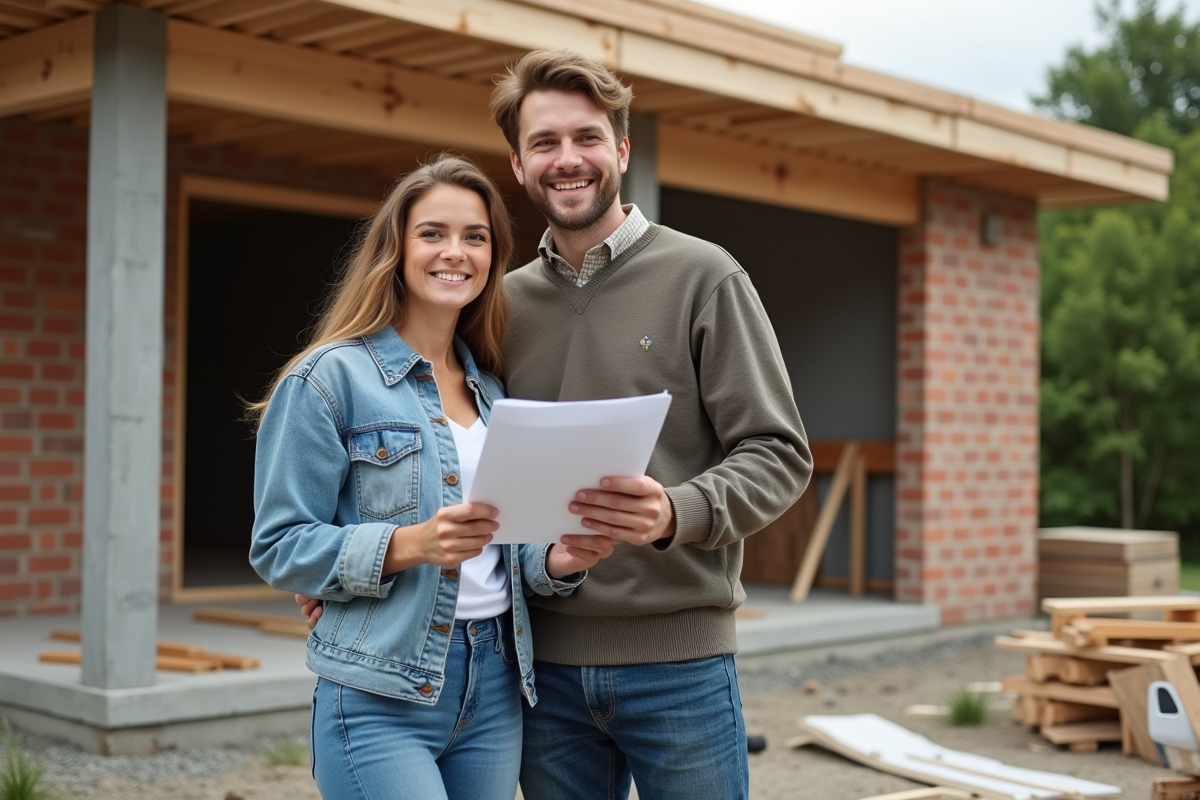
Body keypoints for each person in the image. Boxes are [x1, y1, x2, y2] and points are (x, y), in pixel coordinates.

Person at [303, 50, 812, 800]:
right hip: (536, 673)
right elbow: (446, 450)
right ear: (518, 163)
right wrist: (349, 566)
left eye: (586, 138)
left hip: (682, 664)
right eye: (544, 143)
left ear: (621, 150)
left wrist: (678, 509)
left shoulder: (706, 277)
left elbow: (778, 453)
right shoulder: (495, 304)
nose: (566, 159)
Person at [249, 154, 614, 800]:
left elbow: (508, 549)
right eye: (433, 234)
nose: (456, 252)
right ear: (396, 250)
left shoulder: (494, 394)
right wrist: (410, 545)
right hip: (379, 689)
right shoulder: (328, 381)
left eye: (475, 237)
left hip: (496, 687)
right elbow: (279, 547)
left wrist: (556, 559)